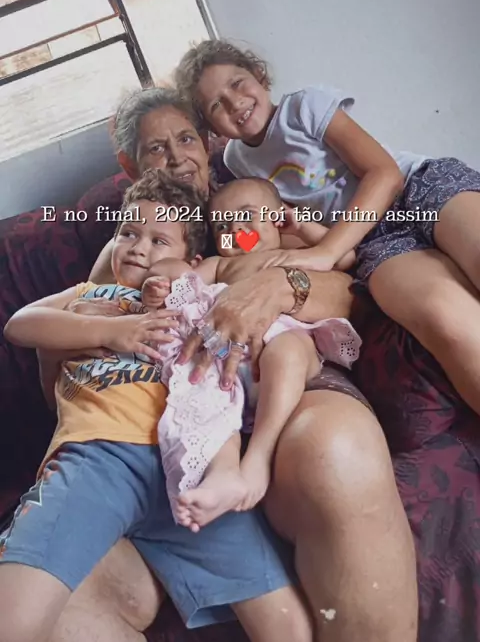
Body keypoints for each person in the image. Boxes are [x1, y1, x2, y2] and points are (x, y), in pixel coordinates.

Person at [43, 87, 417, 642]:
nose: (177, 158)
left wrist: (277, 287)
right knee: (61, 595)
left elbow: (347, 291)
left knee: (336, 451)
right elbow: (65, 350)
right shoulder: (129, 246)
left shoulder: (247, 201)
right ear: (130, 165)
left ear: (208, 141)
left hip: (274, 374)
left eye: (186, 139)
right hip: (162, 411)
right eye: (155, 149)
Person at [0, 171, 313, 642]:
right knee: (12, 619)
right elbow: (20, 324)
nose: (138, 248)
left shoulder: (195, 298)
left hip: (191, 464)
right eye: (127, 233)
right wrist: (108, 331)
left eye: (158, 240)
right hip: (95, 457)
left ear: (192, 261)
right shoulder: (88, 297)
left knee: (288, 627)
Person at [175, 39, 480, 418]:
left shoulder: (305, 107)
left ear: (259, 75)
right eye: (216, 105)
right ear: (211, 126)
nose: (234, 102)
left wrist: (326, 251)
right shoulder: (237, 161)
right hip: (373, 242)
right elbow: (264, 230)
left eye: (237, 83)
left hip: (418, 188)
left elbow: (384, 174)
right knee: (443, 317)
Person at [139, 176, 361, 531]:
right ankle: (223, 475)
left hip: (278, 341)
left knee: (287, 351)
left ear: (277, 219)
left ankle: (258, 457)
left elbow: (346, 257)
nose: (235, 230)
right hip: (222, 353)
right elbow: (184, 280)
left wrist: (301, 226)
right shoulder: (219, 264)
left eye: (246, 216)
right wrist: (158, 283)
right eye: (222, 226)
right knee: (203, 391)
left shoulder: (292, 255)